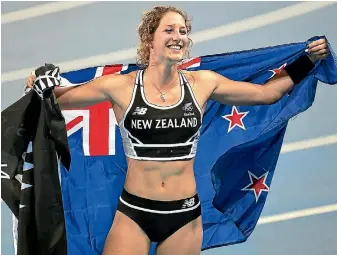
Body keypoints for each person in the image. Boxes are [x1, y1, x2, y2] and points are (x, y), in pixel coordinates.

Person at [26, 5, 329, 255]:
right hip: (133, 213)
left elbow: (266, 94)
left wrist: (308, 60)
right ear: (149, 39)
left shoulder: (202, 83)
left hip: (184, 217)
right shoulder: (120, 86)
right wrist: (41, 86)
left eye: (183, 31)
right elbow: (61, 99)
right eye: (169, 30)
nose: (178, 37)